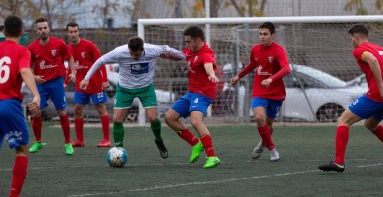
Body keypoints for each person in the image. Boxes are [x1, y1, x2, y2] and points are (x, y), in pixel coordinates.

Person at [319, 24, 383, 173]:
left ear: (356, 37)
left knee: (343, 120)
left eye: (351, 38)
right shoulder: (381, 49)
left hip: (378, 95)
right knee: (370, 124)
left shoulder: (359, 50)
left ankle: (338, 162)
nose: (351, 42)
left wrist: (381, 88)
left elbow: (372, 61)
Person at [79, 36, 185, 158]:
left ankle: (158, 140)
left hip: (146, 88)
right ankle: (119, 150)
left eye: (136, 54)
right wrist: (86, 78)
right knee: (117, 119)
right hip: (125, 89)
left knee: (153, 118)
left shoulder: (152, 50)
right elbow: (100, 60)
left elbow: (168, 49)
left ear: (142, 49)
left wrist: (186, 57)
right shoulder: (120, 52)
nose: (134, 57)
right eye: (131, 54)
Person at [231, 22, 290, 161]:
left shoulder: (279, 50)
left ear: (273, 35)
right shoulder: (255, 49)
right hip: (259, 91)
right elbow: (252, 64)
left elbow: (286, 69)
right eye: (260, 34)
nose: (262, 37)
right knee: (259, 118)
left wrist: (271, 79)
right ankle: (272, 150)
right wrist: (239, 76)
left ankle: (263, 143)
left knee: (268, 126)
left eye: (265, 34)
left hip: (276, 93)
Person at [164, 26, 221, 169]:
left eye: (189, 42)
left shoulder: (206, 53)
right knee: (169, 117)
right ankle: (196, 144)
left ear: (198, 40)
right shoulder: (190, 50)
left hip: (203, 93)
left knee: (195, 121)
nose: (186, 44)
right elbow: (179, 56)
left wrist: (212, 74)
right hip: (191, 93)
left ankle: (212, 156)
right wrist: (161, 53)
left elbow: (208, 65)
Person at [0, 15, 41, 197]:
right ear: (22, 32)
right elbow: (25, 71)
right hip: (8, 105)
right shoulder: (22, 51)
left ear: (4, 32)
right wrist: (36, 95)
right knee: (22, 150)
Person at [28, 17, 76, 155]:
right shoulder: (32, 47)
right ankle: (38, 142)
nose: (43, 31)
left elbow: (70, 58)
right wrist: (35, 77)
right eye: (40, 29)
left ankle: (68, 143)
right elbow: (28, 67)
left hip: (56, 82)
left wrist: (73, 72)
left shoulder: (59, 43)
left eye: (45, 28)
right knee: (36, 112)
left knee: (62, 112)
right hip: (41, 85)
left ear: (49, 29)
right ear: (36, 31)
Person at [65, 22, 111, 147]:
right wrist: (65, 82)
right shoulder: (68, 48)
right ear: (67, 33)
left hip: (95, 83)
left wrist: (105, 79)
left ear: (78, 32)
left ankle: (106, 139)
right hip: (81, 85)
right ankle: (80, 140)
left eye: (75, 31)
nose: (73, 34)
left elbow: (101, 61)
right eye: (71, 32)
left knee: (101, 108)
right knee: (77, 109)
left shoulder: (89, 45)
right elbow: (71, 67)